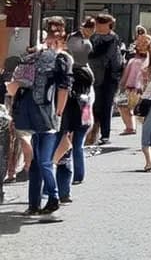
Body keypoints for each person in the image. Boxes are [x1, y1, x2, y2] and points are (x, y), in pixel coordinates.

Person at [7, 26, 72, 214]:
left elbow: (15, 86)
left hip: (28, 113)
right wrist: (59, 113)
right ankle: (53, 197)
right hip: (47, 113)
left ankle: (34, 204)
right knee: (44, 161)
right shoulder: (61, 60)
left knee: (38, 161)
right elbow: (64, 88)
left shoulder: (33, 57)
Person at [53, 17, 94, 199]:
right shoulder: (87, 73)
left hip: (70, 114)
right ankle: (78, 176)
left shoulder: (69, 73)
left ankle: (60, 188)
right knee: (77, 145)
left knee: (67, 147)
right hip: (85, 110)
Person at [87, 13, 123, 146]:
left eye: (102, 24)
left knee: (106, 105)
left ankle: (105, 134)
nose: (99, 27)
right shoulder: (92, 37)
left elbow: (107, 57)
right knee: (94, 105)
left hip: (109, 76)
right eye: (98, 24)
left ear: (109, 25)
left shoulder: (113, 38)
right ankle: (92, 132)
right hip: (92, 75)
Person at [118, 40, 148, 137]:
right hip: (137, 89)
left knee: (125, 107)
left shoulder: (134, 61)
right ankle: (133, 127)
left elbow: (125, 75)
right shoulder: (146, 62)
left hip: (134, 88)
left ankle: (130, 127)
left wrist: (121, 85)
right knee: (129, 108)